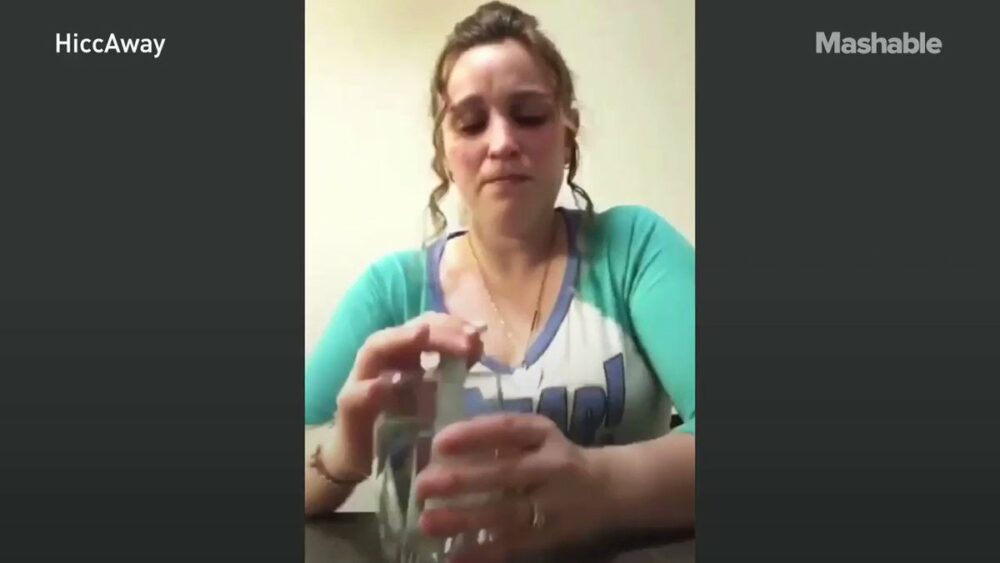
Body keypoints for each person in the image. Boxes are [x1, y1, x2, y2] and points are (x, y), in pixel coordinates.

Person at [304, 1, 694, 560]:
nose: (502, 141)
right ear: (444, 150)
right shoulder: (392, 289)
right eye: (470, 122)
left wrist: (601, 486)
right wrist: (341, 451)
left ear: (568, 135)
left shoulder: (633, 248)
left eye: (529, 114)